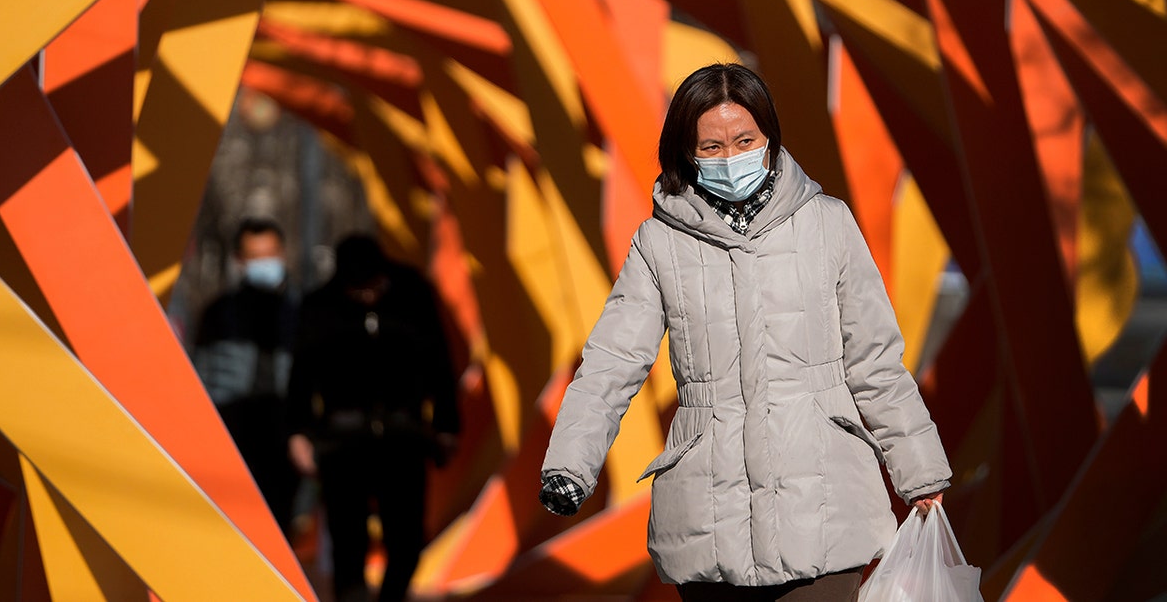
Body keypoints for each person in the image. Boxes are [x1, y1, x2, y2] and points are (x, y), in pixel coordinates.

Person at [539, 63, 952, 601]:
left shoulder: (828, 223)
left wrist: (919, 471)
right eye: (710, 147)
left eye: (743, 140)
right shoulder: (659, 243)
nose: (730, 158)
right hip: (708, 518)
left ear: (769, 139)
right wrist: (570, 465)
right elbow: (613, 362)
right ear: (685, 152)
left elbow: (873, 361)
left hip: (824, 504)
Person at [287, 234, 460, 602]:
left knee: (407, 539)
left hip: (403, 437)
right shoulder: (319, 308)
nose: (366, 296)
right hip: (343, 442)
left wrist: (447, 425)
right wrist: (299, 432)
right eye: (358, 290)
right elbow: (300, 376)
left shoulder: (414, 297)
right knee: (348, 540)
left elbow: (440, 365)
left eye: (372, 287)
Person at [192, 217, 300, 533]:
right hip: (234, 426)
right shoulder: (218, 311)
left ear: (283, 253)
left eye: (270, 253)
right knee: (234, 521)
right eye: (255, 256)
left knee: (280, 522)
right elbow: (202, 371)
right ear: (240, 261)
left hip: (283, 428)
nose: (264, 263)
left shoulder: (301, 310)